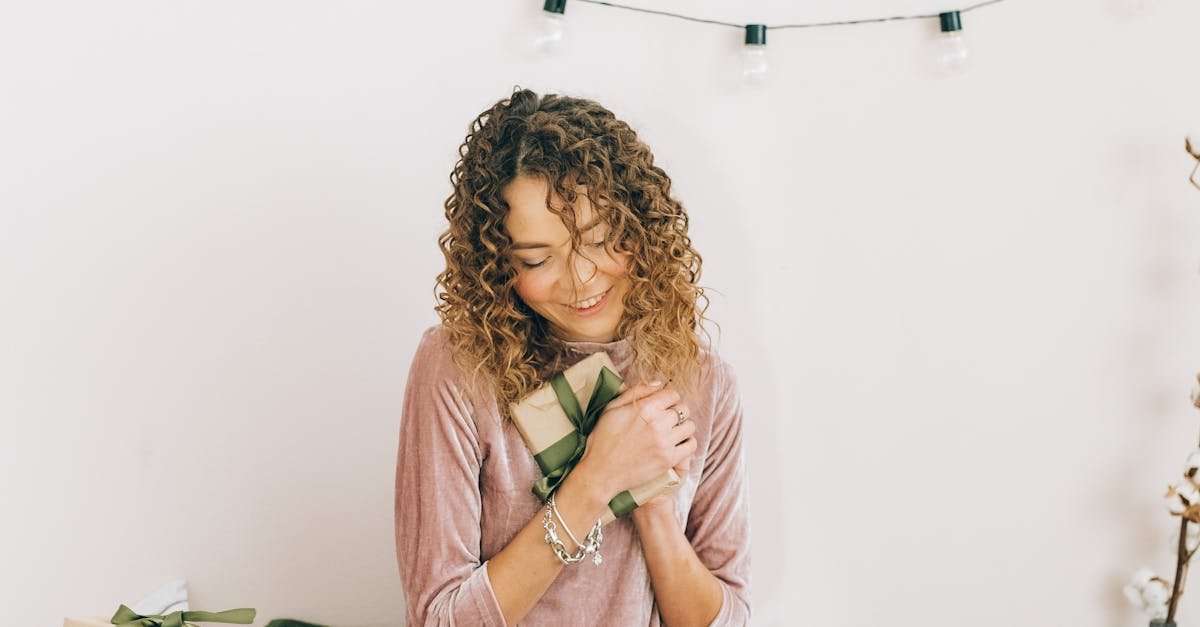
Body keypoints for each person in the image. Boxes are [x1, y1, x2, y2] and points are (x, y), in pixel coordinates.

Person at [394, 87, 750, 626]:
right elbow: (438, 620)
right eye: (538, 259)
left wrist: (654, 508)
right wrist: (595, 480)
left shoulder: (706, 381)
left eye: (601, 239)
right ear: (498, 265)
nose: (581, 280)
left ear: (640, 227)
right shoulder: (456, 367)